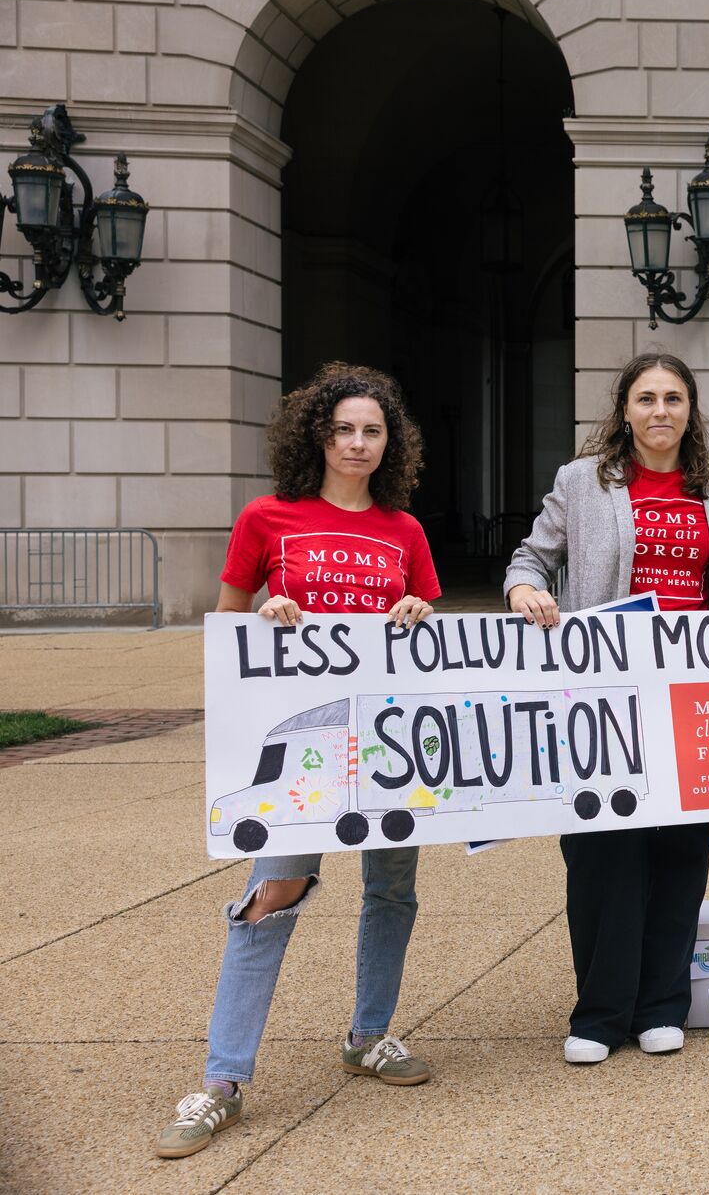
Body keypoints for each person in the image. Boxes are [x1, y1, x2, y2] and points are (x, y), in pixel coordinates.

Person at [157, 363, 440, 1160]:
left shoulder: (406, 531)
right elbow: (226, 631)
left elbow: (424, 635)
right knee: (272, 891)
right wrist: (265, 617)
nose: (357, 443)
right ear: (317, 434)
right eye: (343, 428)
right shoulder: (266, 518)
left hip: (386, 741)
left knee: (393, 886)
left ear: (392, 444)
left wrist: (419, 610)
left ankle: (369, 1035)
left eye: (372, 431)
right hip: (299, 744)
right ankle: (222, 1081)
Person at [504, 352, 709, 1065]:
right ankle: (602, 1012)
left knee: (680, 846)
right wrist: (524, 592)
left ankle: (662, 1004)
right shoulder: (582, 482)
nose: (661, 411)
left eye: (674, 398)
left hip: (691, 692)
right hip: (605, 690)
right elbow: (530, 558)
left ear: (690, 411)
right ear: (625, 411)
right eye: (647, 398)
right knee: (603, 849)